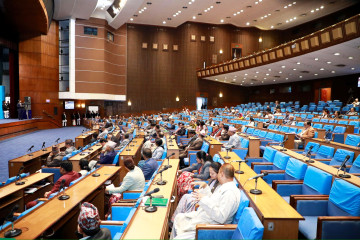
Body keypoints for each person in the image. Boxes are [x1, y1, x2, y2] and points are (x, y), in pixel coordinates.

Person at [170, 163, 241, 239]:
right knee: (178, 218)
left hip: (210, 228)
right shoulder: (224, 187)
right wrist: (205, 189)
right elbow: (213, 199)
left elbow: (221, 217)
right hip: (206, 218)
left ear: (222, 174)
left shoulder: (230, 193)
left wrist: (203, 200)